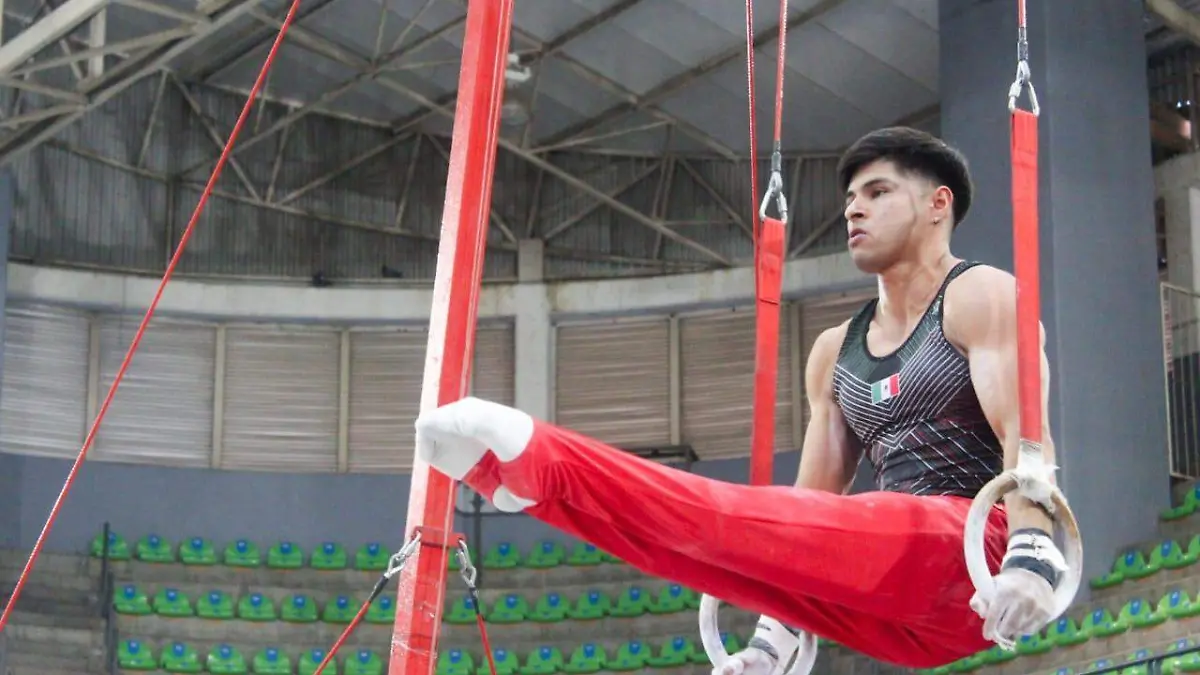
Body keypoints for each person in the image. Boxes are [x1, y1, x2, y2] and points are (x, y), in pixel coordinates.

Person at [414, 127, 1070, 672]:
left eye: (877, 192)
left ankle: (547, 458)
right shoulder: (835, 351)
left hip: (975, 553)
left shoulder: (982, 295)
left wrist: (1033, 553)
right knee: (711, 551)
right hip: (902, 613)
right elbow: (807, 517)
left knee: (716, 515)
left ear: (937, 205)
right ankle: (540, 491)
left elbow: (1026, 434)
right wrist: (771, 639)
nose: (853, 209)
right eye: (849, 198)